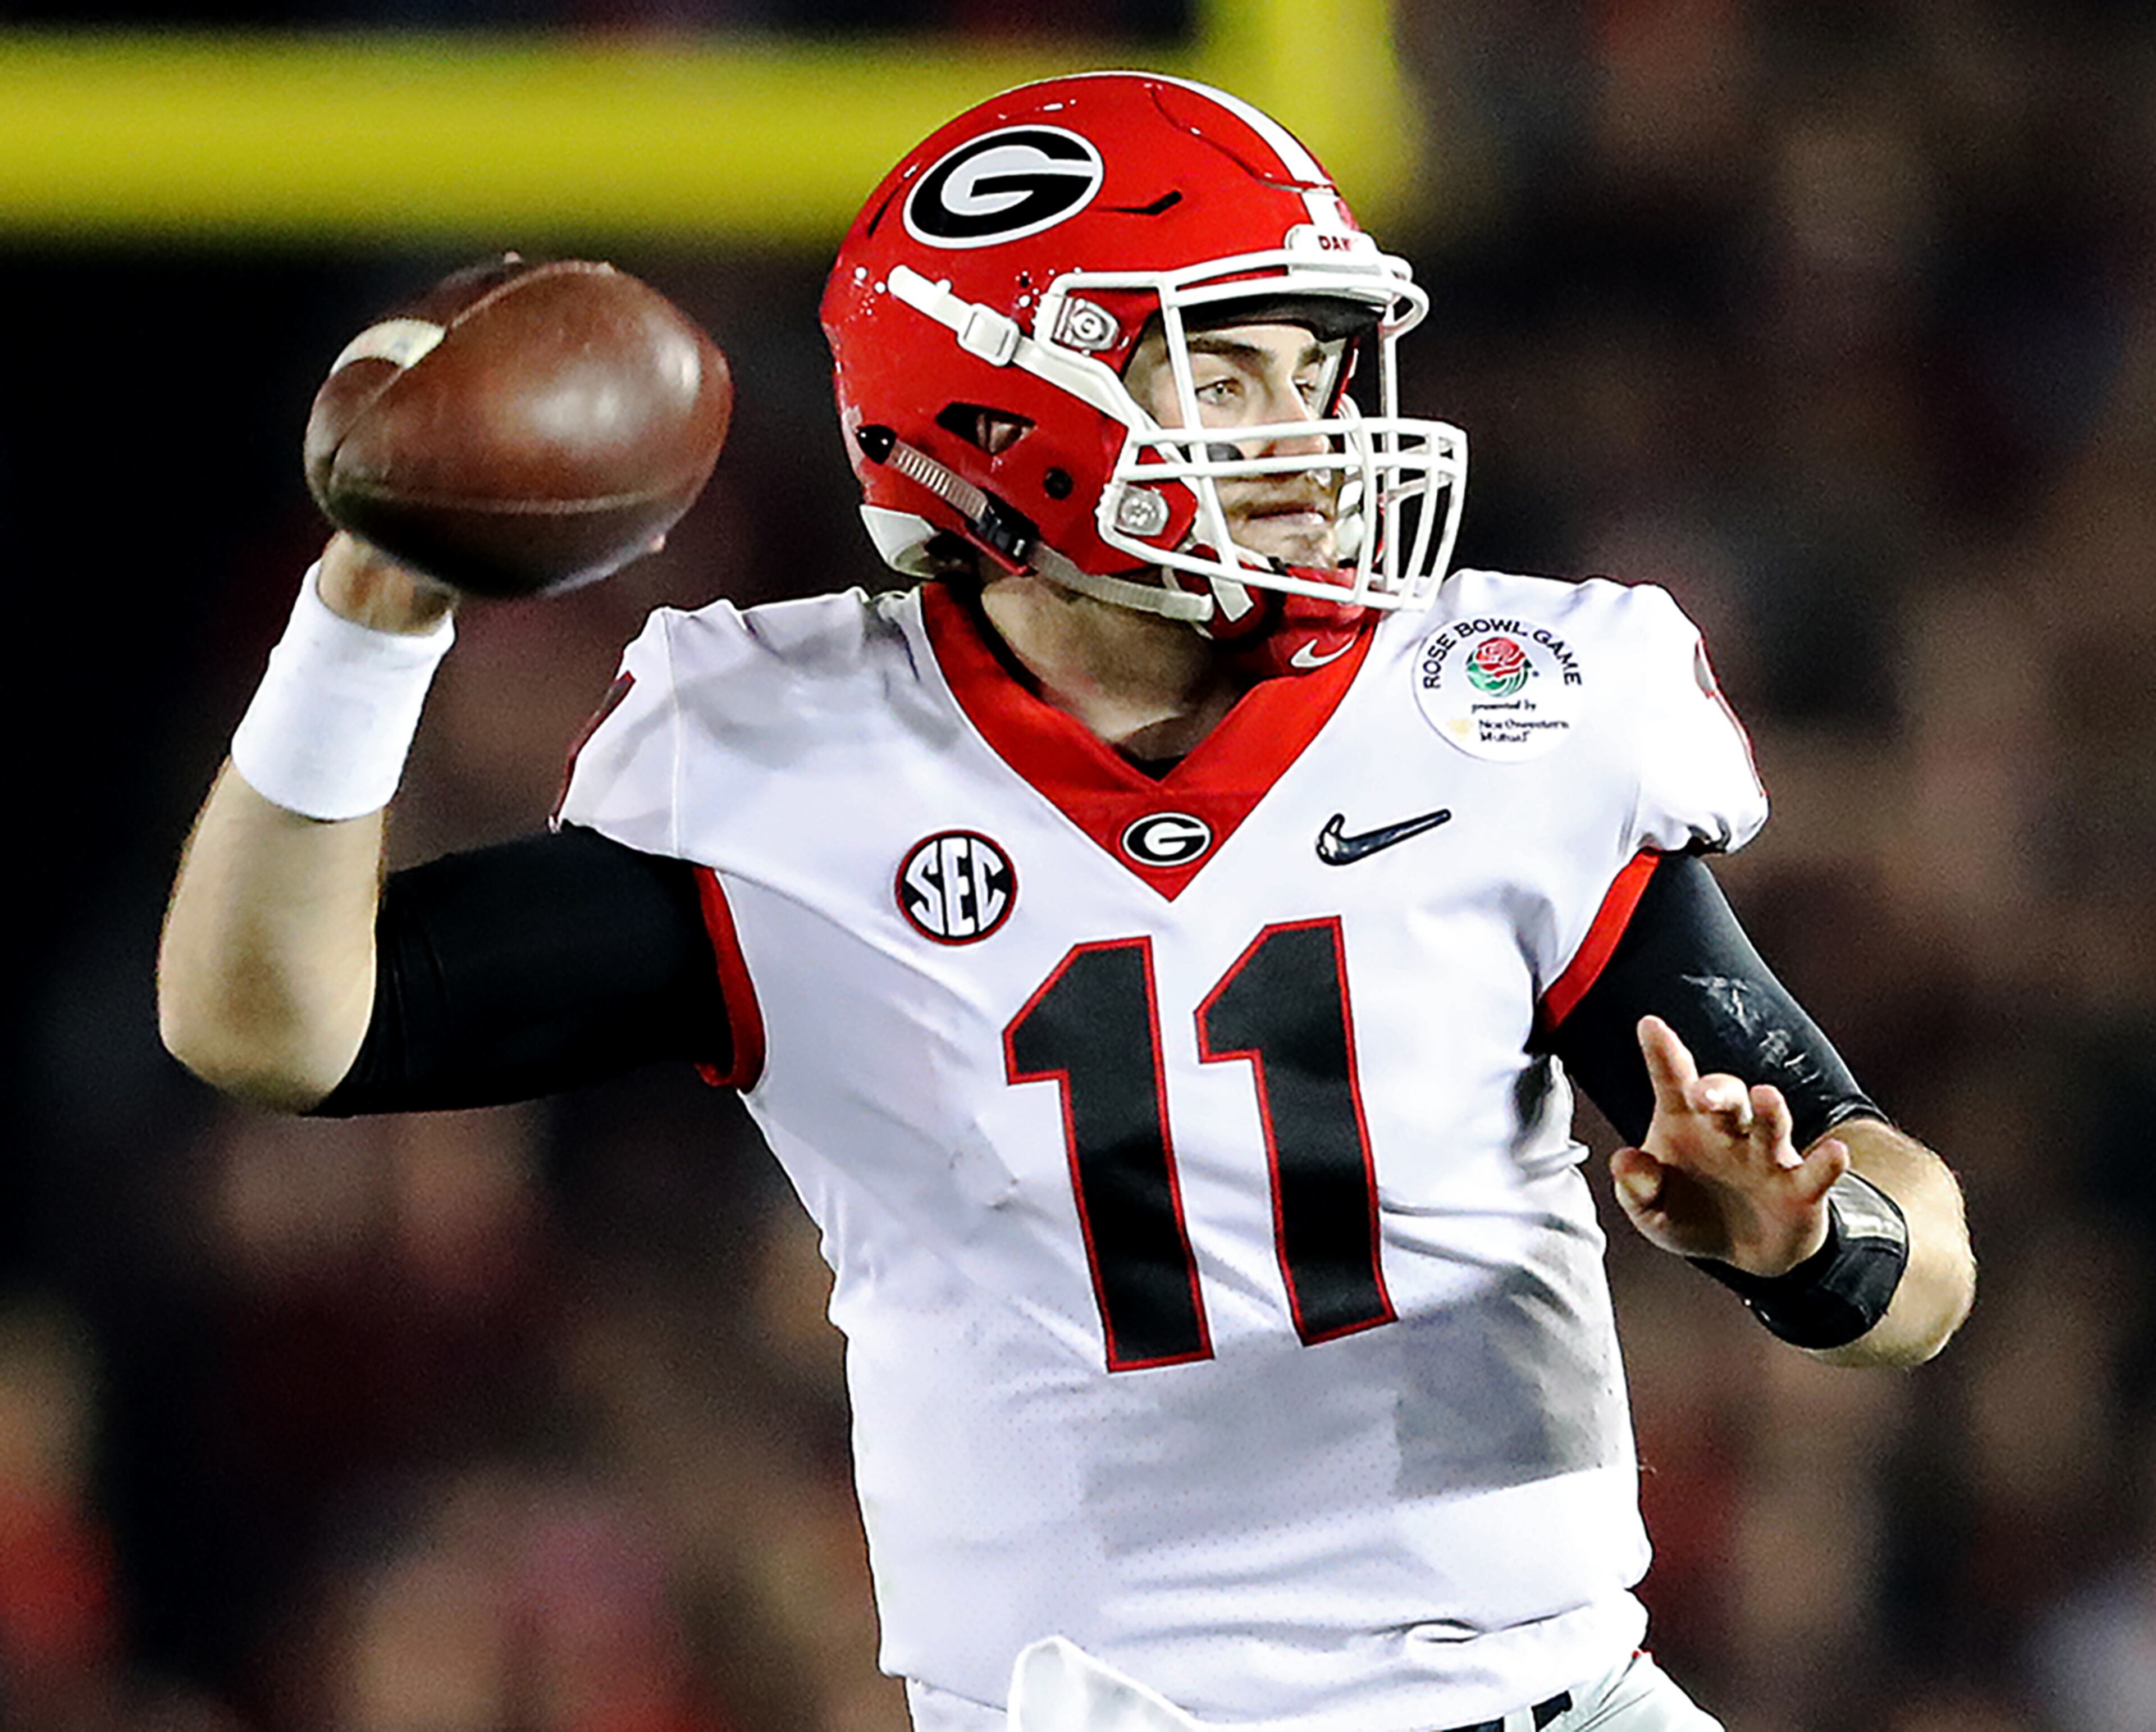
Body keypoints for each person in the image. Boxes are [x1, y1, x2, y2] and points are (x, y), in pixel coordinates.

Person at [159, 71, 1975, 1732]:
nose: (1315, 427)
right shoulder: (796, 770)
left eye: (1320, 366)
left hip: (1569, 1695)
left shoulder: (1507, 709)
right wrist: (372, 603)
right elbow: (273, 1020)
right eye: (1233, 367)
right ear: (1013, 399)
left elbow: (1918, 1240)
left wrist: (1813, 1248)